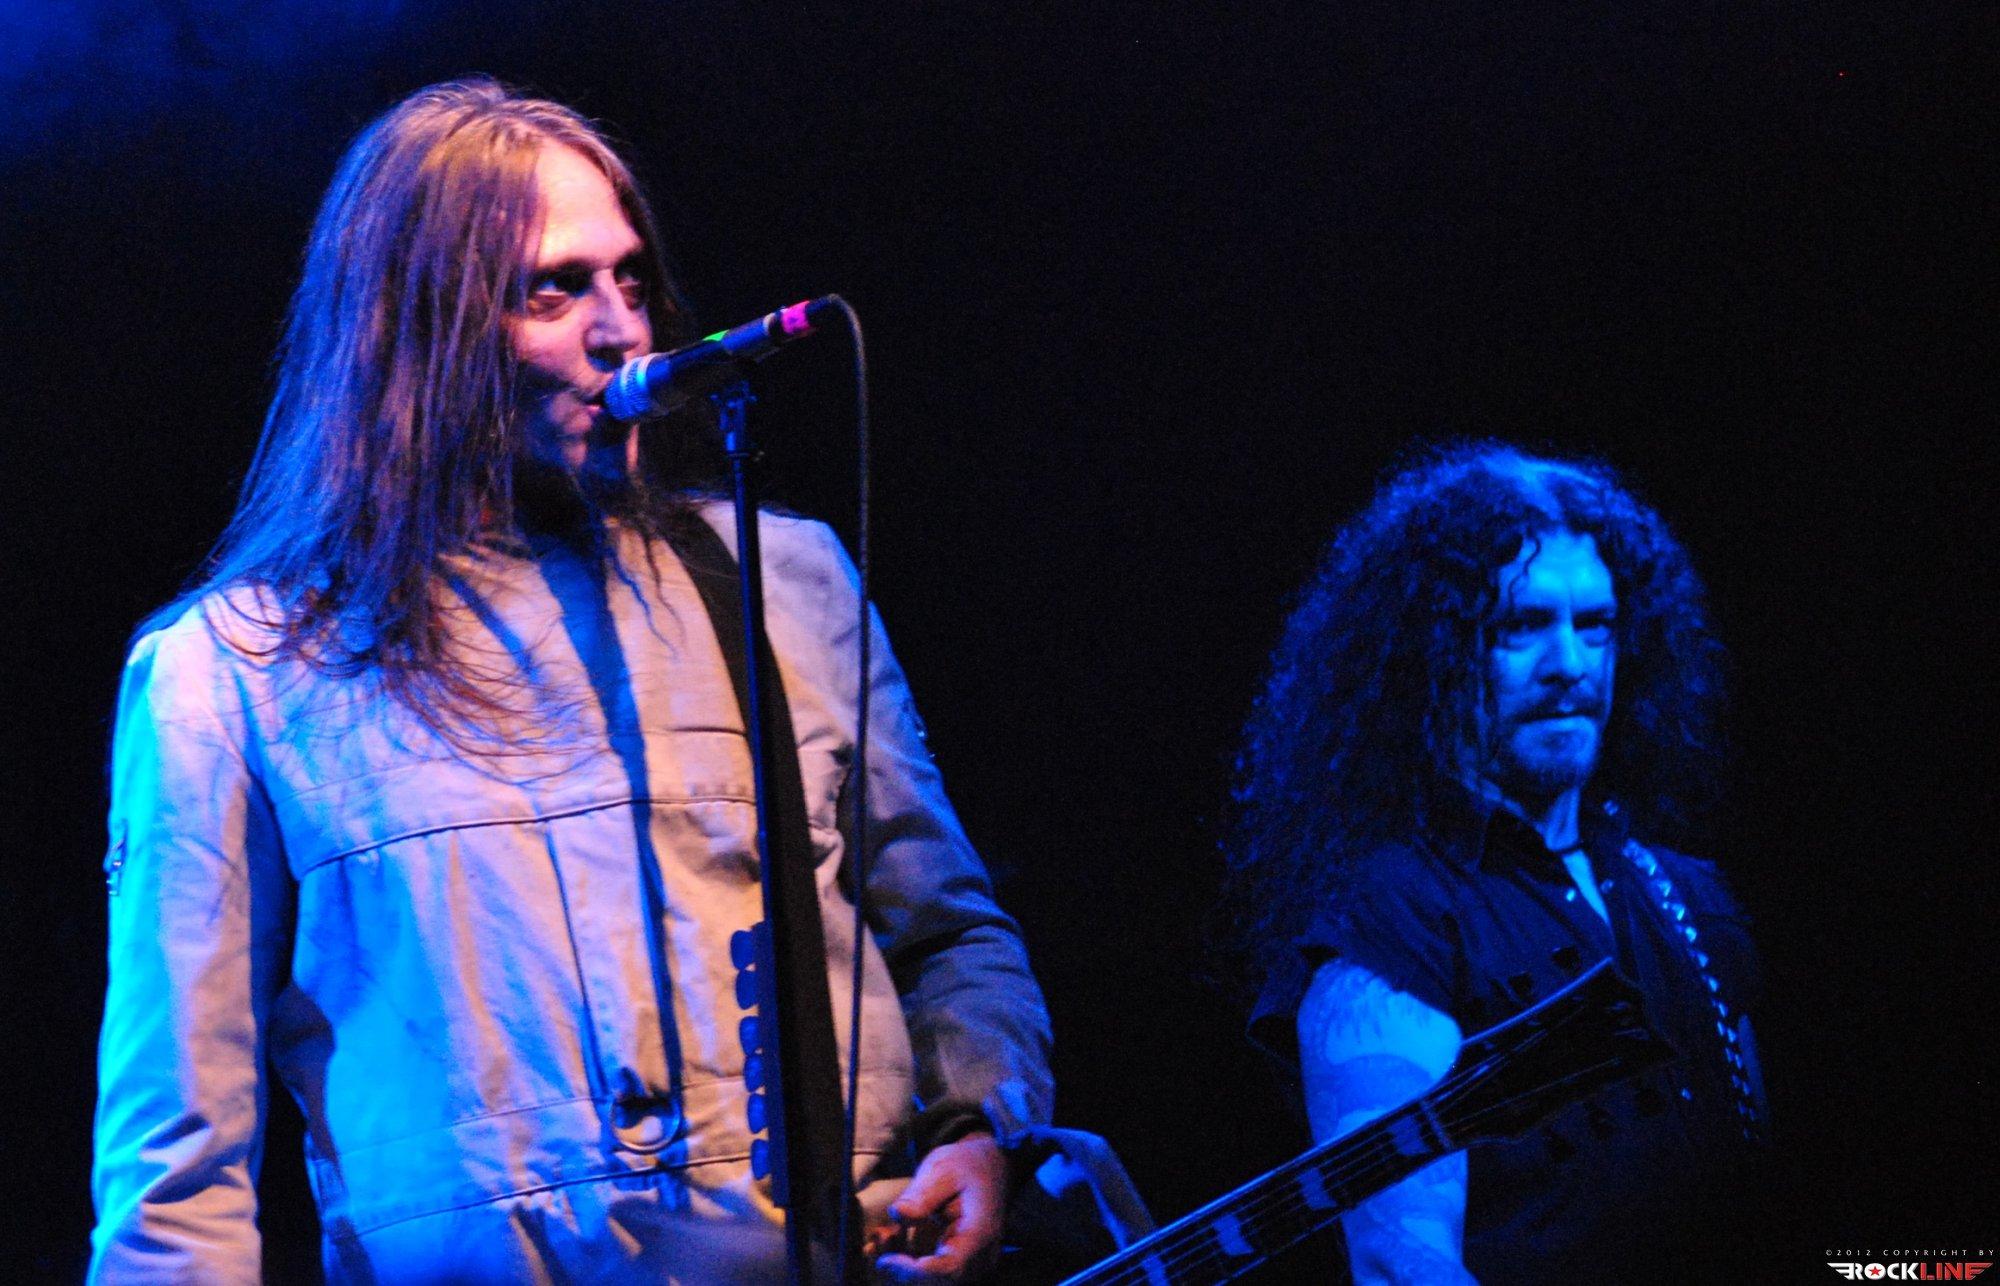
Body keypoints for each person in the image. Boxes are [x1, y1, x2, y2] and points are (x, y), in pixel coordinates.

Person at [90, 78, 1052, 1284]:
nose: (621, 329)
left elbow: (948, 935)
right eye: (554, 288)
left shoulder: (780, 581)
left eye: (631, 280)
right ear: (415, 328)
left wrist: (975, 1122)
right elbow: (177, 1174)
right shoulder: (228, 673)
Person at [1230, 442, 1769, 1284]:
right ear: (1437, 653)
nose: (1570, 666)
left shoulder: (1691, 899)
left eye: (1595, 625)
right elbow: (1403, 1268)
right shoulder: (1393, 919)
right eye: (1522, 626)